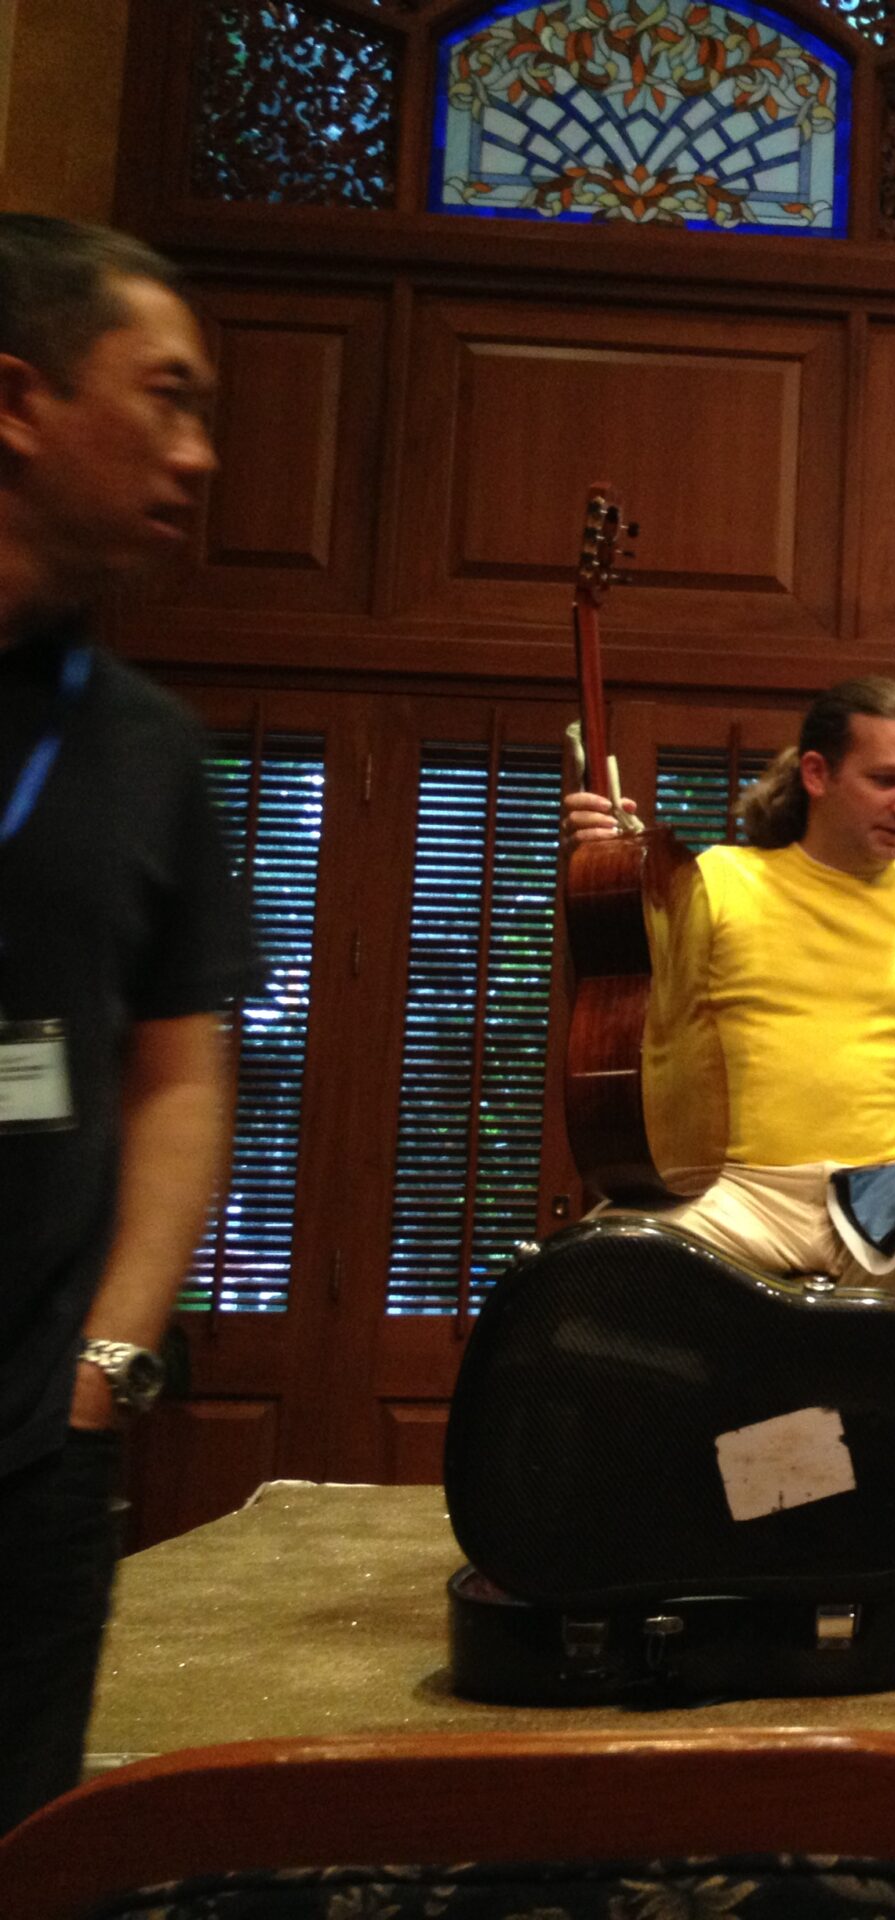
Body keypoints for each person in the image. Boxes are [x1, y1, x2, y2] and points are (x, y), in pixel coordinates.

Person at [0, 218, 257, 1831]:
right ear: (18, 400)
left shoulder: (149, 749)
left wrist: (107, 1363)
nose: (201, 453)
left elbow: (178, 1072)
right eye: (166, 397)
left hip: (35, 1447)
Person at [565, 676, 895, 1395]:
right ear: (818, 774)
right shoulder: (717, 881)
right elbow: (613, 995)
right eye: (886, 780)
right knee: (606, 1259)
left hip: (888, 1197)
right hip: (733, 1192)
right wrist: (594, 866)